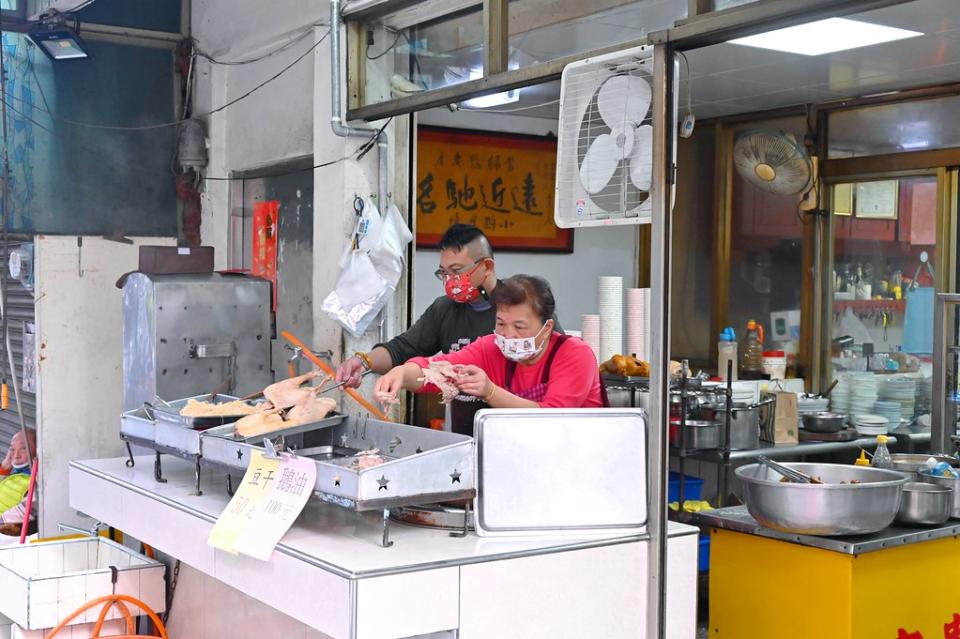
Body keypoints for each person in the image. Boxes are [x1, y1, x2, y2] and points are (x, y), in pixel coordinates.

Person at [375, 275, 605, 435]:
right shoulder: (491, 348)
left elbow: (551, 419)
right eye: (501, 323)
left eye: (520, 327)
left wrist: (490, 392)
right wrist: (401, 374)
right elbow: (437, 369)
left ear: (547, 328)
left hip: (580, 463)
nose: (509, 335)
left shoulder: (575, 354)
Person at [0, 429, 36, 524]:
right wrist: (4, 468)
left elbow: (22, 515)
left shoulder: (35, 483)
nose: (16, 455)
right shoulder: (14, 473)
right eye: (12, 449)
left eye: (24, 448)